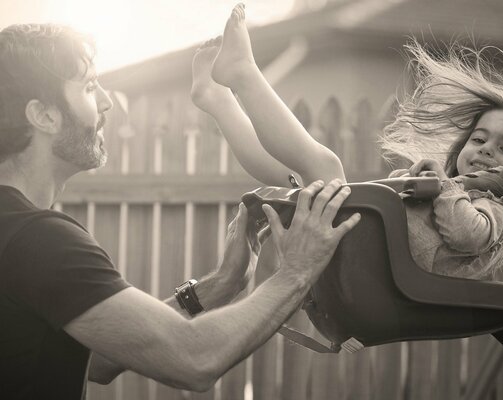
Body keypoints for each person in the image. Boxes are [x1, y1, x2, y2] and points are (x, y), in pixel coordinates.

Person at [0, 23, 361, 399]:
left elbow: (99, 358)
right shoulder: (37, 240)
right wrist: (296, 272)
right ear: (44, 116)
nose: (107, 102)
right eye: (90, 87)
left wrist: (221, 284)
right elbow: (193, 359)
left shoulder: (13, 232)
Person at [191, 4, 503, 280]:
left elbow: (466, 234)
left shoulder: (500, 211)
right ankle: (220, 102)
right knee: (292, 173)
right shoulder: (453, 192)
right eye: (479, 138)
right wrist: (407, 185)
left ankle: (242, 75)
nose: (485, 150)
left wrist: (444, 188)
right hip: (366, 252)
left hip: (373, 265)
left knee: (325, 169)